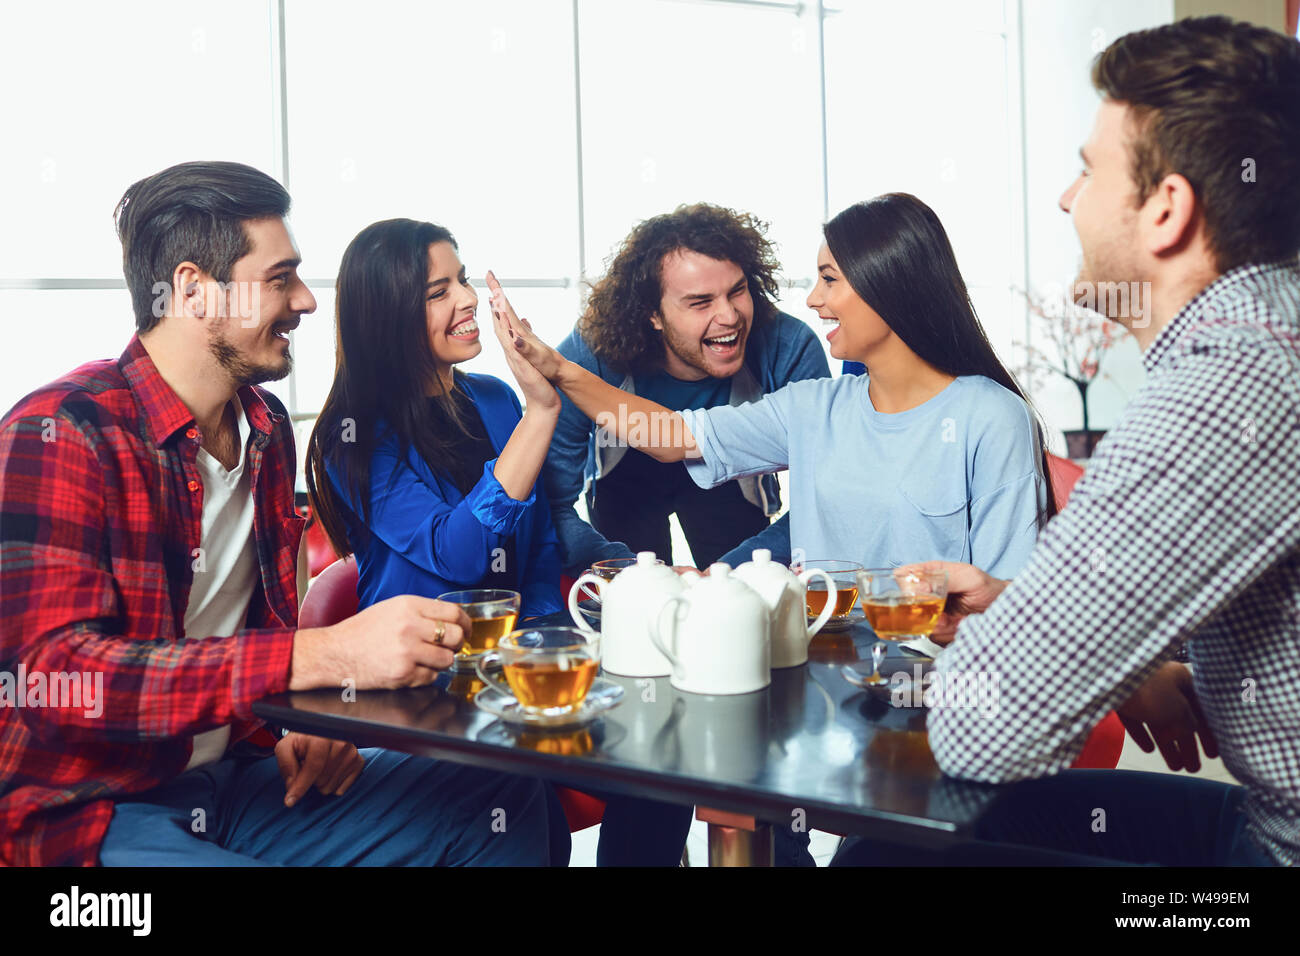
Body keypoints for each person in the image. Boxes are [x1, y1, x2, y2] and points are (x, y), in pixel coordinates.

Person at [838, 16, 1300, 867]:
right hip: (1262, 821)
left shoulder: (1224, 385)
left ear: (1166, 209)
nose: (1065, 198)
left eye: (1088, 170)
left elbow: (988, 728)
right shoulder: (1269, 330)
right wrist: (1016, 604)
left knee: (885, 860)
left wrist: (991, 651)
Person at [0, 162, 556, 866]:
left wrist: (295, 724)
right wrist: (320, 656)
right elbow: (56, 677)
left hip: (233, 785)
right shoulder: (62, 432)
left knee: (501, 796)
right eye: (280, 278)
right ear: (195, 291)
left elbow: (253, 629)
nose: (306, 301)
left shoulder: (264, 429)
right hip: (92, 813)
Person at [306, 218, 692, 866]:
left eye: (461, 279)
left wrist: (544, 650)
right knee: (528, 813)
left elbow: (538, 546)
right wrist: (543, 412)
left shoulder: (492, 400)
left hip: (511, 674)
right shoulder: (354, 435)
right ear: (388, 312)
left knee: (664, 758)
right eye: (437, 290)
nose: (466, 299)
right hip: (418, 688)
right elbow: (457, 555)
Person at [509, 192, 1056, 580]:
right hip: (823, 657)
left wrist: (726, 572)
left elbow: (1016, 601)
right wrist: (555, 370)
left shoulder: (992, 418)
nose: (813, 299)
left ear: (888, 286)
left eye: (829, 280)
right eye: (699, 302)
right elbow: (670, 434)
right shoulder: (813, 407)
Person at [544, 204, 830, 575]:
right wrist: (630, 572)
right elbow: (550, 506)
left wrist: (729, 573)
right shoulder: (589, 353)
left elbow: (824, 499)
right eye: (700, 302)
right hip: (627, 478)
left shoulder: (788, 346)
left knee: (743, 598)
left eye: (737, 291)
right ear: (652, 314)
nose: (729, 316)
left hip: (733, 484)